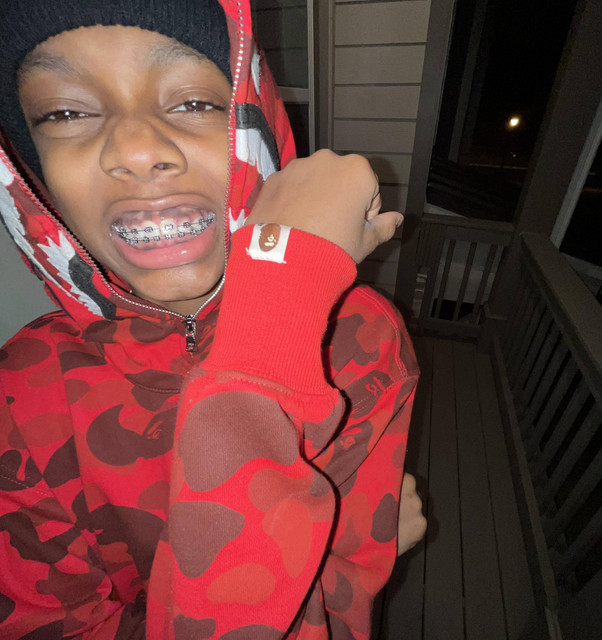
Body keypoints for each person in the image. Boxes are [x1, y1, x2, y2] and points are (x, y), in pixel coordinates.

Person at [0, 1, 425, 638]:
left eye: (194, 102)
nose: (137, 150)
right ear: (32, 173)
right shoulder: (19, 393)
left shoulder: (359, 339)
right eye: (65, 113)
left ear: (255, 124)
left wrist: (280, 303)